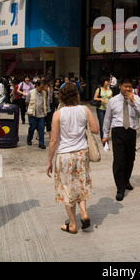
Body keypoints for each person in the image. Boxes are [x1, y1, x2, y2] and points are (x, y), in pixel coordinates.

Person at [46, 83, 99, 234]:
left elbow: (54, 141)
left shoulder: (58, 114)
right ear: (77, 94)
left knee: (66, 189)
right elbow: (95, 129)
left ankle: (73, 225)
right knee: (81, 184)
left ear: (61, 97)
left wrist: (49, 161)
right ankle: (84, 213)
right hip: (82, 153)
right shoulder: (84, 109)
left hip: (65, 156)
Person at [102, 78, 140, 202]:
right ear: (120, 86)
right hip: (118, 131)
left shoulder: (136, 99)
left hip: (131, 131)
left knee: (130, 158)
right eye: (125, 86)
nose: (127, 89)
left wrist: (133, 101)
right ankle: (120, 188)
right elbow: (107, 118)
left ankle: (126, 180)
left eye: (130, 86)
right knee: (119, 160)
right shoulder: (113, 101)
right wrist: (105, 135)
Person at [26, 80, 47, 149]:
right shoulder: (31, 93)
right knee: (32, 127)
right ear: (37, 86)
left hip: (41, 114)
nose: (42, 89)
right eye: (41, 87)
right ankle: (29, 139)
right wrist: (30, 110)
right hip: (32, 114)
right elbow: (27, 102)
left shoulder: (44, 93)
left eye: (43, 87)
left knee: (41, 128)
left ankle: (41, 143)